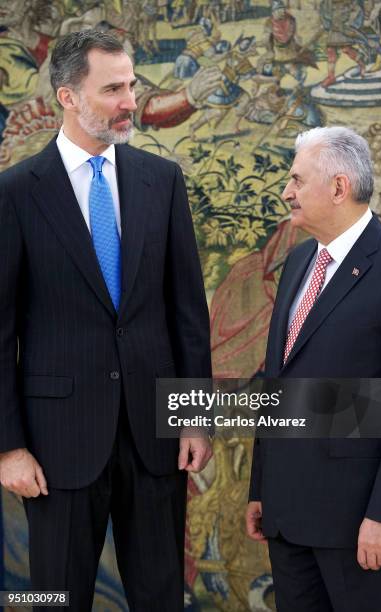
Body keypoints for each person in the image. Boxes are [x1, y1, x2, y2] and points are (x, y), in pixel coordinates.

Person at [0, 29, 212, 611]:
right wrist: (7, 448)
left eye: (132, 84)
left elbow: (188, 314)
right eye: (113, 88)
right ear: (68, 96)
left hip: (156, 437)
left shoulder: (161, 181)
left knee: (160, 596)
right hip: (56, 446)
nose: (129, 101)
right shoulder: (15, 194)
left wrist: (195, 418)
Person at [246, 126, 381, 612]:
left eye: (296, 180)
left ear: (339, 187)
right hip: (287, 520)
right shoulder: (298, 262)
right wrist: (261, 488)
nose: (286, 192)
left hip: (361, 529)